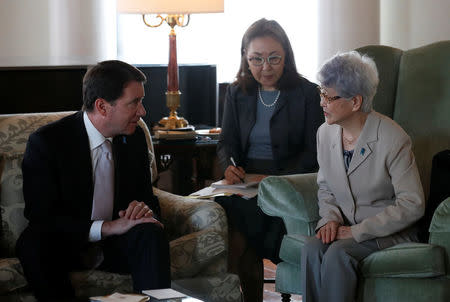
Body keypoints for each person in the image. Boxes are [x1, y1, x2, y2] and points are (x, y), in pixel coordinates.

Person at [16, 60, 171, 302]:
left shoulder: (135, 137)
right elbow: (40, 215)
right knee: (33, 244)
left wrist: (140, 210)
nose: (142, 112)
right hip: (66, 243)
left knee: (149, 231)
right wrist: (107, 227)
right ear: (102, 106)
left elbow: (148, 198)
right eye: (134, 103)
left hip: (117, 246)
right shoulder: (48, 142)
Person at [301, 51, 425, 302]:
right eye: (321, 93)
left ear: (355, 102)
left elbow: (413, 204)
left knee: (338, 254)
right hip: (344, 227)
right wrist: (330, 220)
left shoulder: (393, 138)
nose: (322, 102)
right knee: (311, 249)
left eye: (329, 96)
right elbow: (326, 188)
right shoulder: (324, 133)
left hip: (386, 232)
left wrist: (358, 231)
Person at [216, 18, 323, 302]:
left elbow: (314, 153)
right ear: (245, 58)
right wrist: (228, 166)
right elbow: (226, 142)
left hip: (291, 181)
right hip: (247, 181)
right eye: (256, 59)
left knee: (244, 229)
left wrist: (277, 181)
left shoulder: (307, 93)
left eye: (274, 58)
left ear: (286, 56)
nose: (265, 67)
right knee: (230, 218)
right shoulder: (237, 92)